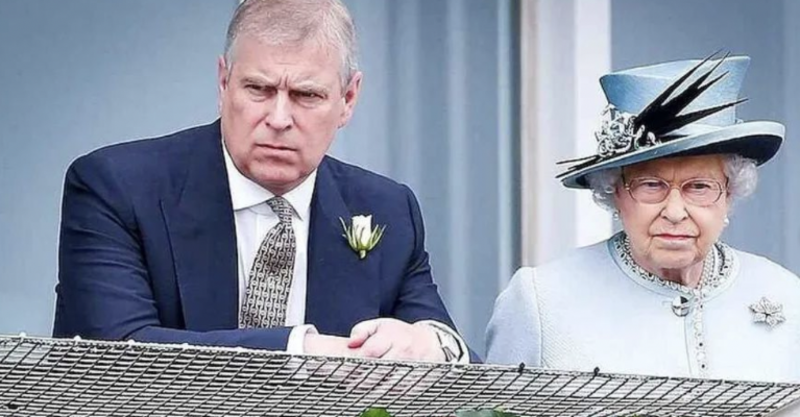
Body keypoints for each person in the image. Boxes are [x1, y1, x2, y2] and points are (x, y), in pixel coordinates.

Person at [53, 0, 475, 364]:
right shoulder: (117, 189)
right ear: (223, 84)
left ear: (348, 99)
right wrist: (302, 352)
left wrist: (430, 344)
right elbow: (117, 354)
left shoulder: (387, 209)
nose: (278, 119)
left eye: (306, 95)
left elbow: (460, 364)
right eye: (258, 88)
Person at [486, 54, 800, 382]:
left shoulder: (786, 294)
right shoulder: (541, 302)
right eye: (651, 185)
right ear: (614, 192)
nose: (675, 212)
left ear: (729, 194)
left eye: (699, 187)